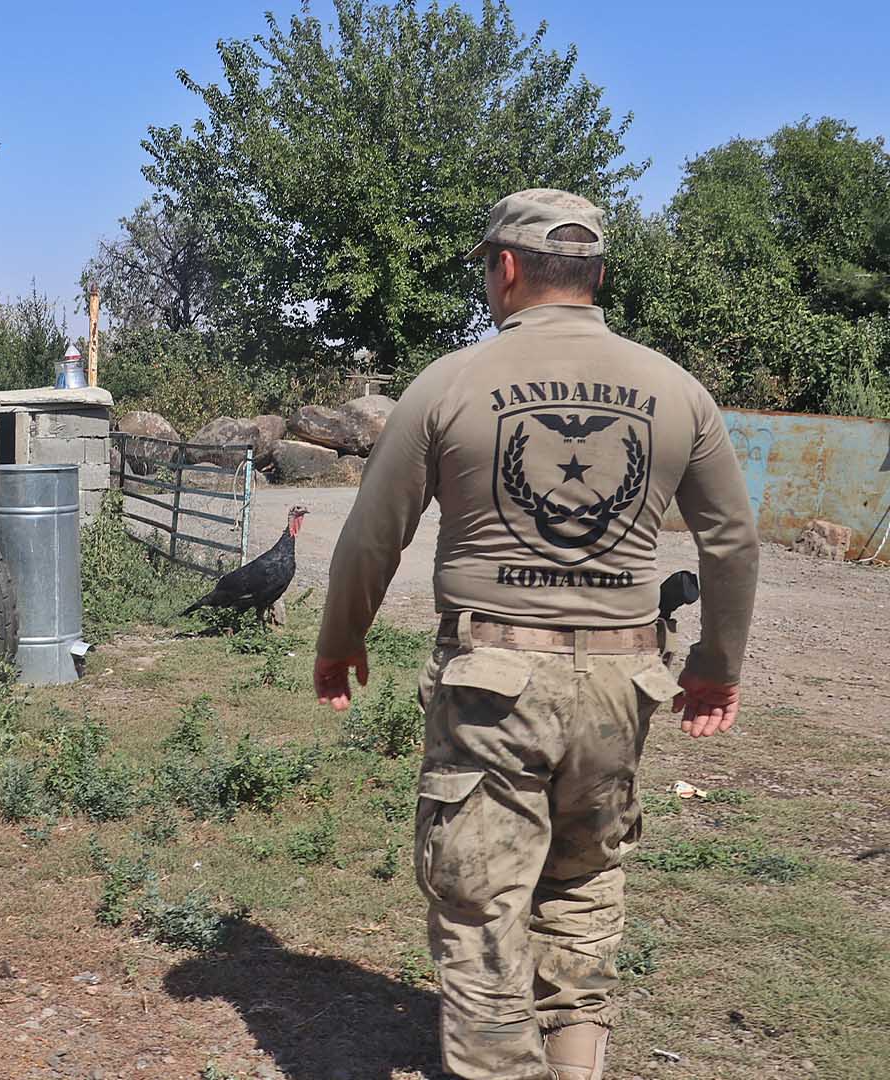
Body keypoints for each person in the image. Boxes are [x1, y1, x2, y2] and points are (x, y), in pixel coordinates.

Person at [312, 189, 759, 1080]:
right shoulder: (678, 390)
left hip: (492, 679)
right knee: (585, 883)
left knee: (481, 912)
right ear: (598, 277)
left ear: (506, 270)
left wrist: (340, 637)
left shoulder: (447, 383)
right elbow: (732, 542)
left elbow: (372, 534)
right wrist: (715, 666)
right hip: (626, 681)